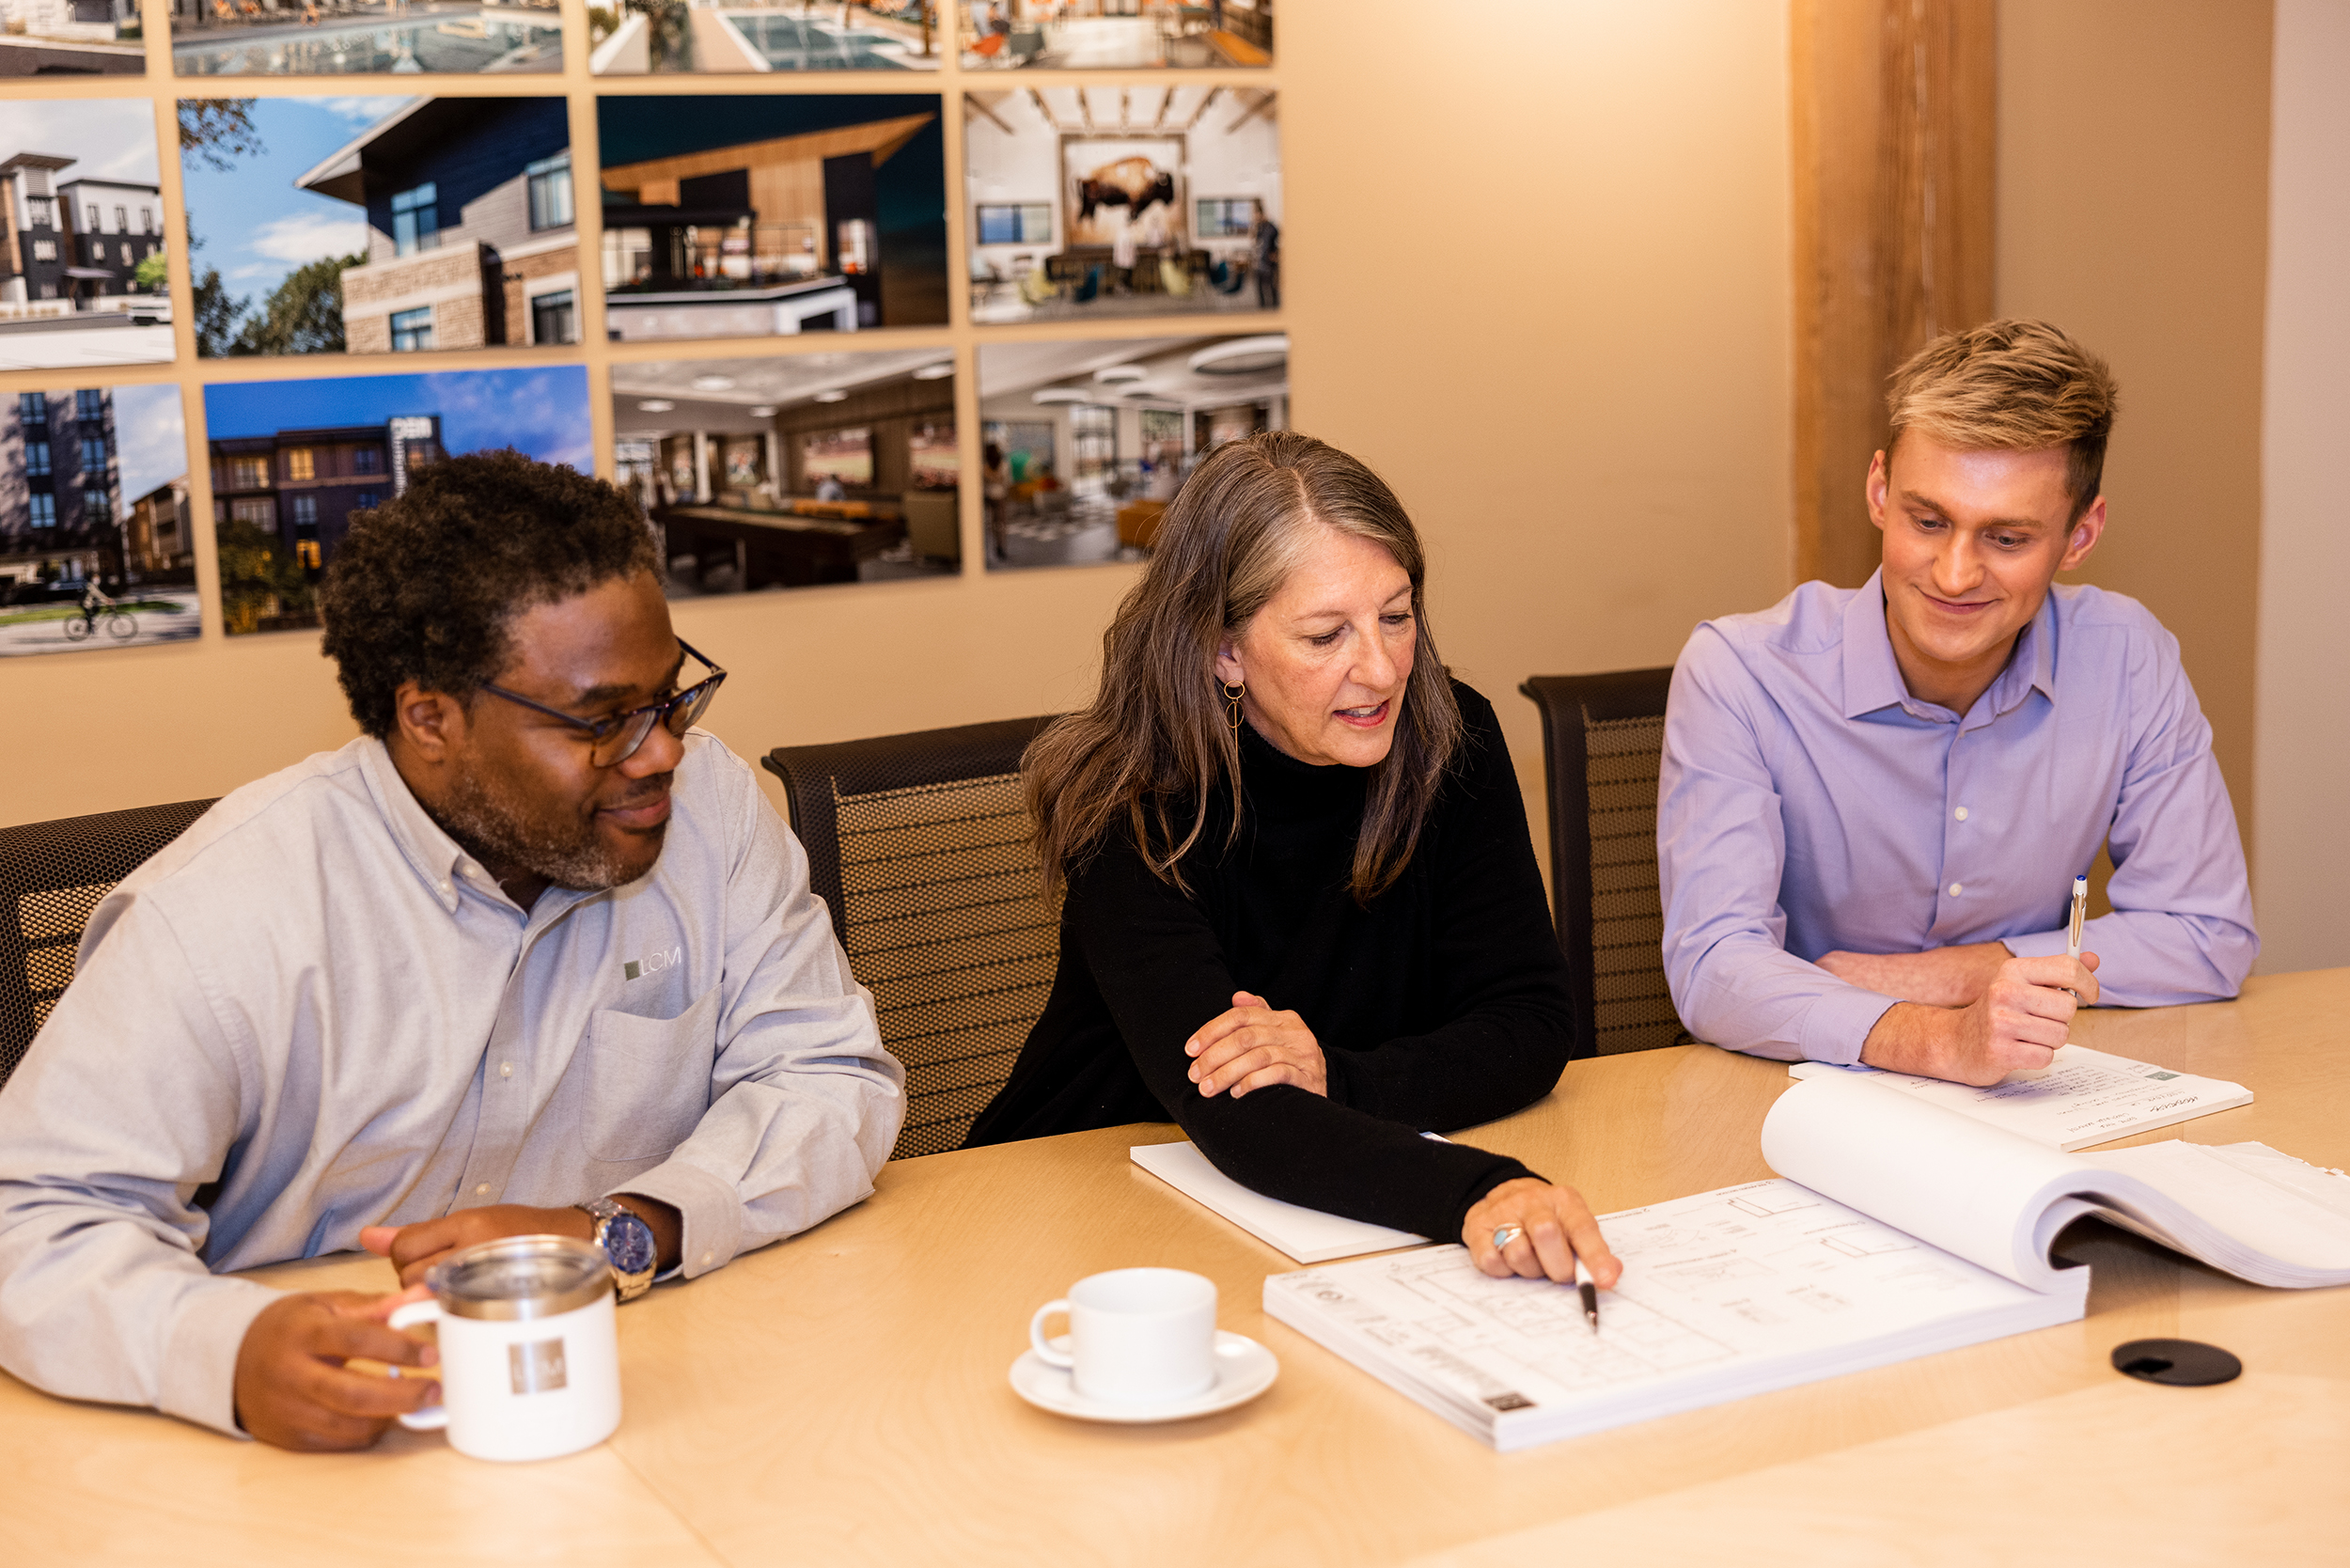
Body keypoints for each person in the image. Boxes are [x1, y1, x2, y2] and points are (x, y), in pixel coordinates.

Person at [0, 452, 904, 1450]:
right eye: (603, 721)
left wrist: (624, 1229)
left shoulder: (709, 815)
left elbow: (829, 1074)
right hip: (325, 1440)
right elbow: (29, 1219)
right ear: (430, 717)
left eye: (669, 698)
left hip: (647, 1396)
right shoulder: (224, 913)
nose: (660, 753)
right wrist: (225, 1349)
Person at [965, 431, 1622, 1292]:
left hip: (1322, 1196)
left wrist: (1333, 1073)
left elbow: (1532, 1022)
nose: (1381, 669)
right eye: (1325, 636)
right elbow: (1242, 1114)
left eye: (1396, 614)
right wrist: (1477, 1189)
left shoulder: (1450, 736)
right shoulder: (1126, 799)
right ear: (1223, 651)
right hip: (1076, 1202)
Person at [1658, 320, 2256, 1087]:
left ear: (2080, 535)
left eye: (2006, 538)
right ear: (1880, 490)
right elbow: (1713, 966)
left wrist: (1958, 975)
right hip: (1788, 1095)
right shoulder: (1739, 672)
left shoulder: (2126, 656)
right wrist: (1936, 1040)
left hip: (2032, 1094)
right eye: (1928, 520)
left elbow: (2208, 933)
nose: (1953, 573)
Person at [1250, 200, 1280, 310]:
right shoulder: (1259, 228)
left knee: (1272, 287)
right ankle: (1262, 308)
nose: (1256, 217)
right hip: (1259, 261)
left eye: (1257, 214)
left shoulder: (1270, 227)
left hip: (1268, 261)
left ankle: (1275, 307)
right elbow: (1255, 240)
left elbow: (1275, 236)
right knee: (1259, 288)